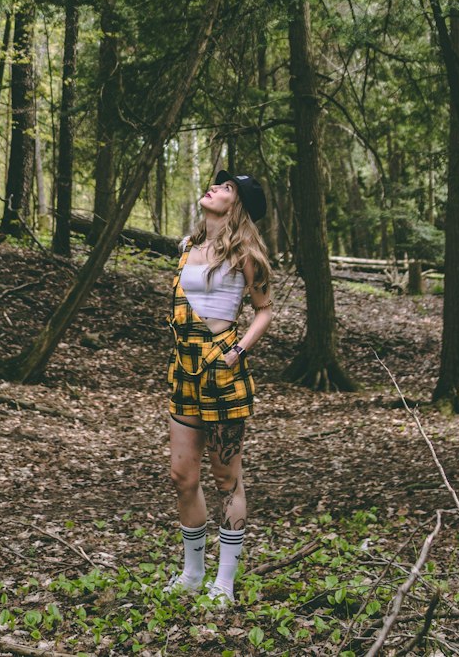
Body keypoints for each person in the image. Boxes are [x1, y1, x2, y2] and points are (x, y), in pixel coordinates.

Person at [165, 169, 273, 605]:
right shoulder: (188, 248)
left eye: (227, 188)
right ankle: (193, 573)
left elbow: (265, 310)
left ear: (237, 205)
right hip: (185, 372)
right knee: (182, 476)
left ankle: (223, 583)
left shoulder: (245, 252)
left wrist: (237, 352)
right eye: (218, 183)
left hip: (223, 373)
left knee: (227, 478)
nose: (215, 188)